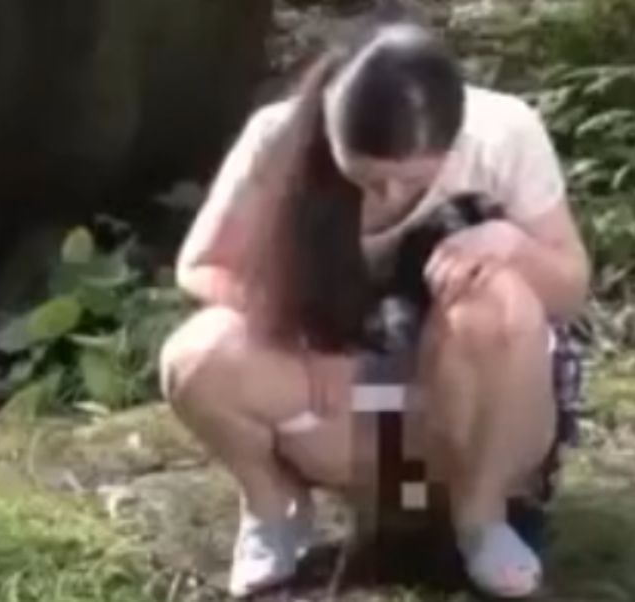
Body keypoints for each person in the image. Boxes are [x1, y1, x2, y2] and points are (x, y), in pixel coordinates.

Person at [159, 4, 590, 599]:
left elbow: (570, 286)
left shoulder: (503, 133)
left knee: (500, 298)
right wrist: (295, 336)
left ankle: (480, 516)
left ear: (454, 139)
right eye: (366, 176)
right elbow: (204, 266)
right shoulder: (279, 138)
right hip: (356, 414)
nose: (388, 194)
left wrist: (513, 245)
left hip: (474, 412)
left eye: (413, 180)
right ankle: (275, 508)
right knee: (197, 357)